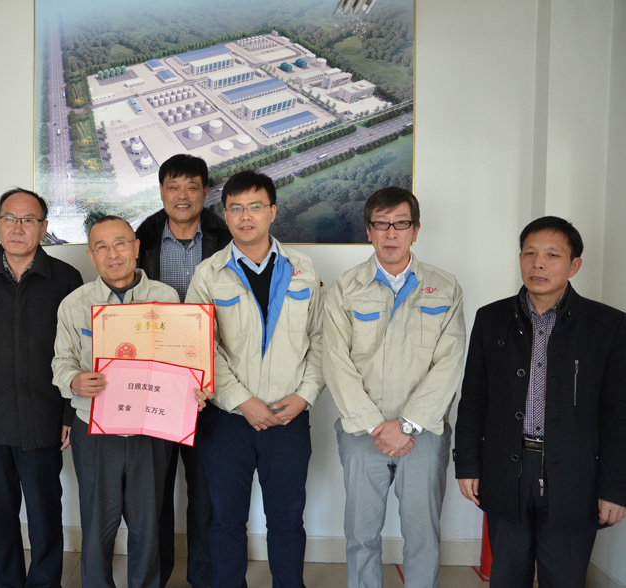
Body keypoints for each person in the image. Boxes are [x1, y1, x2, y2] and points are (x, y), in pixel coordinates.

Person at [454, 216, 626, 588]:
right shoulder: (491, 319)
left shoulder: (608, 327)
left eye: (552, 255)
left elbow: (619, 417)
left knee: (563, 578)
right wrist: (466, 464)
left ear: (574, 265)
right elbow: (473, 400)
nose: (538, 264)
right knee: (506, 576)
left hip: (575, 477)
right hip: (507, 469)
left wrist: (615, 488)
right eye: (529, 253)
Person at [186, 171, 324, 588]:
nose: (246, 217)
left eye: (255, 207)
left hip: (288, 416)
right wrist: (241, 401)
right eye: (236, 208)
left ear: (273, 212)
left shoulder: (303, 269)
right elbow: (200, 347)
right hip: (227, 421)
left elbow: (322, 340)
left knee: (287, 521)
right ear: (225, 215)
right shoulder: (208, 274)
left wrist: (305, 396)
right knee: (226, 521)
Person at [323, 186, 466, 588]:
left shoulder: (445, 287)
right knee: (360, 536)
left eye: (400, 224)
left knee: (423, 537)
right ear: (368, 231)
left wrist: (407, 425)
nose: (391, 233)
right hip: (362, 432)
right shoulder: (345, 287)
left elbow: (450, 363)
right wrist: (376, 425)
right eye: (381, 224)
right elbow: (335, 361)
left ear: (415, 231)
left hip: (423, 434)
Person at [0, 188, 83, 588]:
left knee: (45, 516)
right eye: (10, 218)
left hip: (43, 421)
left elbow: (78, 353)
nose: (17, 228)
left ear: (44, 227)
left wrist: (69, 413)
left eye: (28, 220)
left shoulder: (65, 279)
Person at [52, 216, 182, 588]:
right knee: (96, 526)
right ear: (91, 256)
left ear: (137, 248)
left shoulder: (166, 298)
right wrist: (74, 380)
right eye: (102, 247)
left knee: (148, 525)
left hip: (151, 429)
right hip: (95, 429)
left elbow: (183, 360)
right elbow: (61, 362)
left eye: (121, 243)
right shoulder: (75, 304)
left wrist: (193, 388)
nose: (113, 254)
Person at [135, 154, 231, 588]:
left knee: (205, 492)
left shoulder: (225, 238)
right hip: (154, 384)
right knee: (153, 493)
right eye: (173, 186)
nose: (182, 195)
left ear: (205, 192)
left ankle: (203, 577)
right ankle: (155, 577)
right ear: (161, 191)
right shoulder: (142, 238)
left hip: (210, 384)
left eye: (192, 187)